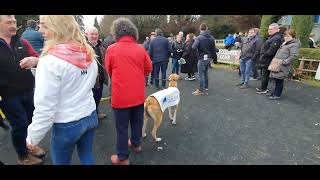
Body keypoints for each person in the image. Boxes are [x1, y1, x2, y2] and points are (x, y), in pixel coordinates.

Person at [26, 15, 98, 165]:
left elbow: (45, 107)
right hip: (90, 115)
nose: (40, 30)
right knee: (87, 157)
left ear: (58, 28)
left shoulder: (50, 61)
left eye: (45, 25)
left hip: (67, 123)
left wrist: (32, 137)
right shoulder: (88, 53)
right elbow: (88, 84)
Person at [105, 17, 152, 165]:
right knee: (137, 122)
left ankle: (123, 157)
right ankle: (136, 144)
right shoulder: (140, 48)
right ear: (133, 32)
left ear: (116, 33)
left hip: (120, 97)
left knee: (122, 128)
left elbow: (109, 70)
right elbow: (148, 68)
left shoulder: (111, 49)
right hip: (138, 95)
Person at [0, 15, 45, 165]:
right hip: (7, 96)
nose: (14, 25)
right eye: (9, 22)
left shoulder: (23, 42)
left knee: (32, 121)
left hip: (28, 90)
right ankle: (23, 156)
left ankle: (30, 145)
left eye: (14, 22)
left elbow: (40, 59)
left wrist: (35, 60)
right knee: (19, 125)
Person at [268, 29, 300, 100]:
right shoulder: (285, 43)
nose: (286, 37)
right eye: (285, 36)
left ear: (293, 37)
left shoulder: (294, 45)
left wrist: (285, 61)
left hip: (283, 65)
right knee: (276, 79)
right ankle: (275, 92)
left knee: (279, 80)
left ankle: (277, 94)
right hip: (278, 64)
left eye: (288, 36)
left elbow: (294, 55)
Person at [86, 26, 108, 120]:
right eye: (92, 34)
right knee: (89, 98)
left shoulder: (102, 46)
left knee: (98, 96)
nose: (94, 36)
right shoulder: (83, 47)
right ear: (87, 35)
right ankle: (90, 115)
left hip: (101, 78)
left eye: (96, 34)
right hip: (88, 80)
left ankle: (95, 111)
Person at [256, 23, 283, 94]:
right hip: (265, 59)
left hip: (267, 60)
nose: (269, 30)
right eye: (268, 29)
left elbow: (272, 51)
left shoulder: (276, 38)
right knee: (264, 74)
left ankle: (264, 89)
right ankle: (263, 87)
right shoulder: (272, 37)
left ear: (277, 29)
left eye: (271, 29)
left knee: (265, 75)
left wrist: (263, 55)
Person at [192, 23, 216, 96]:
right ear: (207, 28)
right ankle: (206, 87)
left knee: (200, 74)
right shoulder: (212, 37)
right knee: (205, 73)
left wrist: (199, 51)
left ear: (200, 29)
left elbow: (193, 47)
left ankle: (200, 90)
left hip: (202, 57)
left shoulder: (199, 37)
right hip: (209, 57)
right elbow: (213, 49)